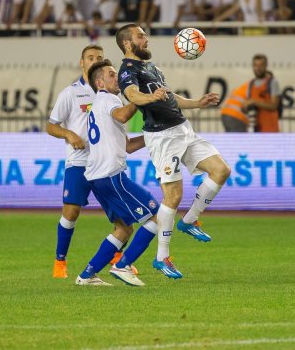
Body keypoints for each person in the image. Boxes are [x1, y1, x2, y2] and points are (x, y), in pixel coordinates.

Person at [116, 24, 231, 278]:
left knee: (221, 170)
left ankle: (190, 220)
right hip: (162, 137)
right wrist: (151, 97)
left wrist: (197, 103)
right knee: (173, 196)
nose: (145, 39)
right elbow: (132, 95)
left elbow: (170, 97)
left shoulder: (151, 67)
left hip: (183, 130)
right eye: (140, 36)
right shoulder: (127, 71)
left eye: (145, 34)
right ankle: (162, 258)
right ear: (127, 43)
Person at [75, 59, 161, 286]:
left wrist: (153, 136)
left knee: (124, 229)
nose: (118, 78)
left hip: (98, 177)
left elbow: (128, 146)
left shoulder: (101, 105)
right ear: (100, 82)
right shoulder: (108, 100)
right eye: (112, 74)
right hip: (111, 175)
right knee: (157, 217)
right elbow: (123, 115)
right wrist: (140, 95)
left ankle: (86, 276)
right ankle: (123, 266)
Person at [47, 45, 119, 278]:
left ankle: (117, 260)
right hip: (79, 161)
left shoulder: (110, 92)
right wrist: (69, 134)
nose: (95, 60)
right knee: (71, 211)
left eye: (99, 57)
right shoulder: (71, 93)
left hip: (105, 161)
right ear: (82, 62)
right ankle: (60, 261)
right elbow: (51, 125)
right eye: (90, 58)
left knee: (118, 213)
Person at [220, 54, 281, 132]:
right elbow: (249, 107)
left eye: (261, 65)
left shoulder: (272, 82)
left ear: (266, 66)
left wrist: (254, 102)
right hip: (257, 129)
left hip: (271, 128)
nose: (258, 68)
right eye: (256, 65)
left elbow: (274, 105)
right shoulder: (251, 84)